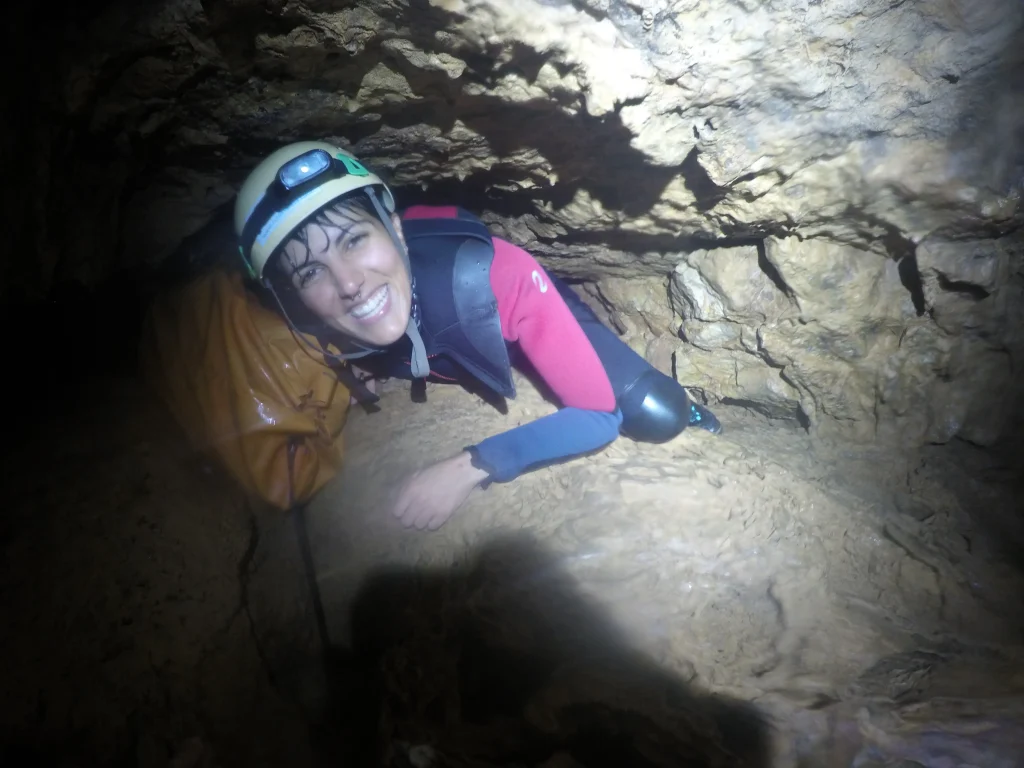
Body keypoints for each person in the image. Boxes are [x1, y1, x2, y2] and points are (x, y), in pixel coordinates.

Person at [234, 141, 722, 531]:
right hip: (440, 319)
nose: (347, 283)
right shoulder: (321, 325)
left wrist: (472, 466)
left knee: (659, 412)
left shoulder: (493, 278)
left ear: (395, 231)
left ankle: (692, 408)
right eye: (310, 272)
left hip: (509, 310)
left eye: (354, 240)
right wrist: (368, 359)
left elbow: (597, 417)